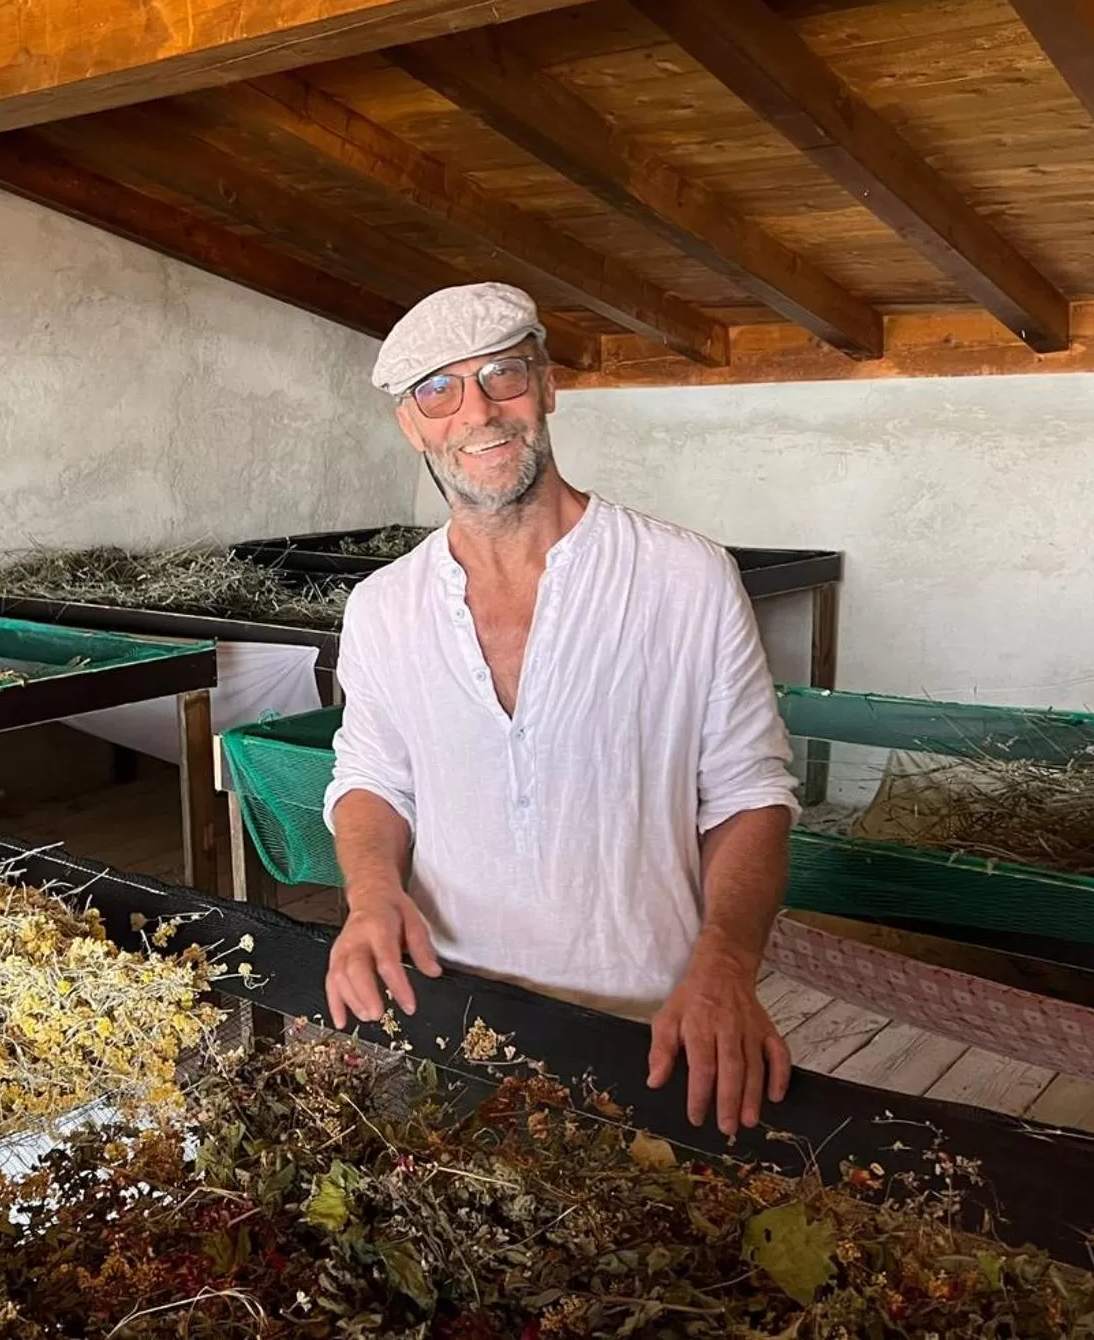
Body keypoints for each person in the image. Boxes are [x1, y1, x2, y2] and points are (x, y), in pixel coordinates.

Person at [322, 282, 802, 1137]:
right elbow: (371, 776)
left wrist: (726, 965)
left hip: (655, 1024)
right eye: (439, 389)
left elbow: (747, 792)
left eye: (502, 375)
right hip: (446, 1012)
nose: (477, 411)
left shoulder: (683, 578)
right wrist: (369, 895)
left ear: (546, 388)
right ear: (411, 423)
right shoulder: (383, 606)